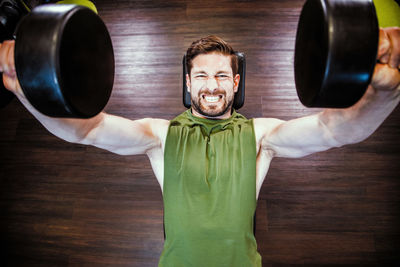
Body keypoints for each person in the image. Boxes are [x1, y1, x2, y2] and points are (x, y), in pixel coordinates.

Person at [0, 28, 399, 266]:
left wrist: (384, 92)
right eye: (202, 75)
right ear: (188, 83)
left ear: (236, 84)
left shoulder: (260, 135)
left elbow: (335, 131)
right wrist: (26, 85)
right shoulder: (161, 134)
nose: (212, 85)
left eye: (223, 76)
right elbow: (85, 131)